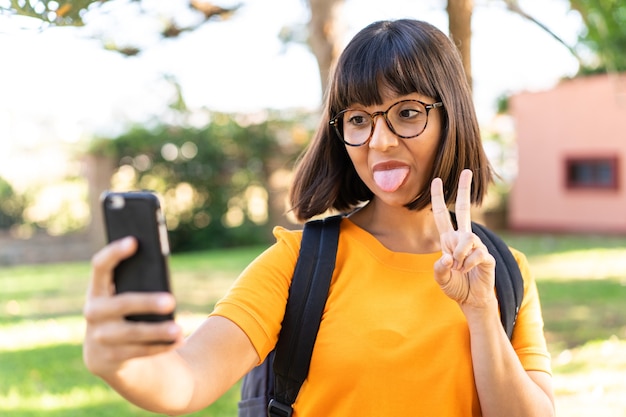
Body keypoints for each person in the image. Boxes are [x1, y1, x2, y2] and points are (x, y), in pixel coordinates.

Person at [83, 19, 555, 416]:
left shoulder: (502, 271)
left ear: (452, 117)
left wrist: (481, 313)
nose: (380, 141)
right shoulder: (299, 261)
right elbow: (186, 378)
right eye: (358, 119)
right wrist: (123, 363)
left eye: (407, 113)